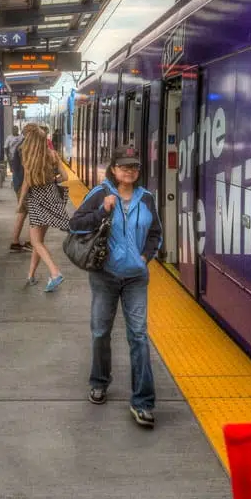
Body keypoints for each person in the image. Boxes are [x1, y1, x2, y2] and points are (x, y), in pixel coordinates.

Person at [70, 147, 160, 428]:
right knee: (100, 331)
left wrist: (145, 258)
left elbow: (155, 233)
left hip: (136, 278)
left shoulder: (147, 198)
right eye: (124, 167)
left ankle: (143, 402)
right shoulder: (100, 193)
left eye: (134, 166)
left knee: (139, 337)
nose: (130, 171)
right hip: (105, 275)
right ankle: (99, 381)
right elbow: (75, 224)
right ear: (113, 169)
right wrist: (101, 211)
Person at [18, 123, 67, 292]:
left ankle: (55, 272)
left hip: (37, 200)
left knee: (35, 241)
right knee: (39, 241)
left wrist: (20, 203)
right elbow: (65, 177)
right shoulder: (53, 155)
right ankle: (30, 275)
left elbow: (26, 183)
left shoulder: (29, 157)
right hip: (52, 197)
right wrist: (53, 181)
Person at [4, 121, 29, 252]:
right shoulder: (23, 148)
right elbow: (26, 170)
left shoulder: (19, 146)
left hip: (19, 182)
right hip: (21, 183)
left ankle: (26, 241)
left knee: (25, 212)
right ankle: (15, 242)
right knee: (23, 212)